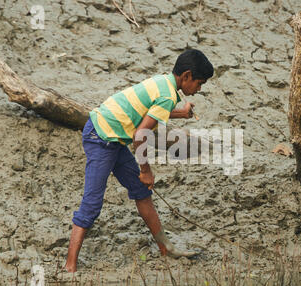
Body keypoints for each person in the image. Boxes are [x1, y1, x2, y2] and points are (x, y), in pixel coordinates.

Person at [64, 49, 214, 272]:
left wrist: (180, 114)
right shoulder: (168, 95)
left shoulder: (164, 82)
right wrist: (145, 170)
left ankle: (165, 248)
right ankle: (70, 267)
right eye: (199, 83)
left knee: (141, 192)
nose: (199, 89)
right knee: (92, 203)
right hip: (101, 137)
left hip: (113, 137)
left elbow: (151, 112)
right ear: (187, 76)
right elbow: (140, 135)